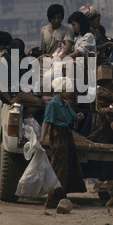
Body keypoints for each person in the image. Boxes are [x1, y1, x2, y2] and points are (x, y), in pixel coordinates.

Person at [39, 77, 86, 208]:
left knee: (66, 166)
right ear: (61, 90)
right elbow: (46, 122)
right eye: (67, 89)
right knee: (58, 166)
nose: (70, 92)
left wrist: (78, 117)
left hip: (67, 135)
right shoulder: (52, 104)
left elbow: (73, 118)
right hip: (58, 135)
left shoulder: (65, 104)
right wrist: (42, 138)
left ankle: (62, 197)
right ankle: (52, 198)